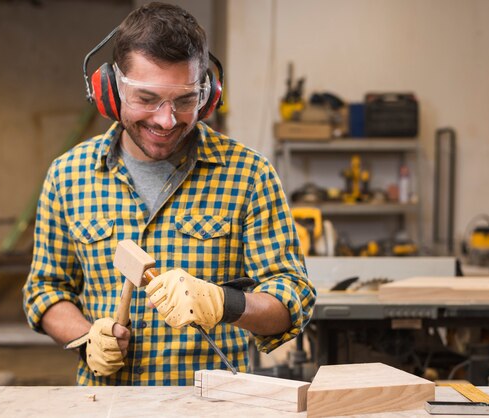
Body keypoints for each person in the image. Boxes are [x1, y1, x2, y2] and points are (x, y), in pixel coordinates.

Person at [22, 2, 316, 386]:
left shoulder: (249, 175)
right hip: (106, 406)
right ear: (110, 91)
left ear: (208, 94)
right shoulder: (68, 176)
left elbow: (293, 298)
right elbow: (46, 289)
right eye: (146, 99)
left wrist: (223, 303)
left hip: (213, 409)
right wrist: (85, 337)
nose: (166, 119)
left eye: (184, 100)